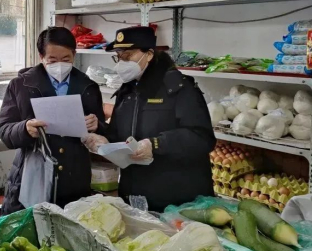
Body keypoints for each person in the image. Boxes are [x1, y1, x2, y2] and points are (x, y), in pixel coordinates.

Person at [83, 26, 215, 212]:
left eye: (127, 56)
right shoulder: (127, 91)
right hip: (135, 193)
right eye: (118, 56)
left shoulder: (178, 88)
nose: (121, 63)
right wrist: (102, 137)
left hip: (176, 199)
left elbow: (202, 137)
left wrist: (155, 144)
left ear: (149, 54)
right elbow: (120, 135)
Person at [0, 27, 105, 214]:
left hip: (73, 180)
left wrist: (97, 126)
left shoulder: (88, 87)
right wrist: (24, 129)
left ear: (74, 55)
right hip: (31, 177)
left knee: (69, 227)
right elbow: (4, 129)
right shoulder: (21, 85)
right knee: (30, 228)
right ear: (41, 57)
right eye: (52, 60)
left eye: (66, 59)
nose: (60, 65)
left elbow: (103, 130)